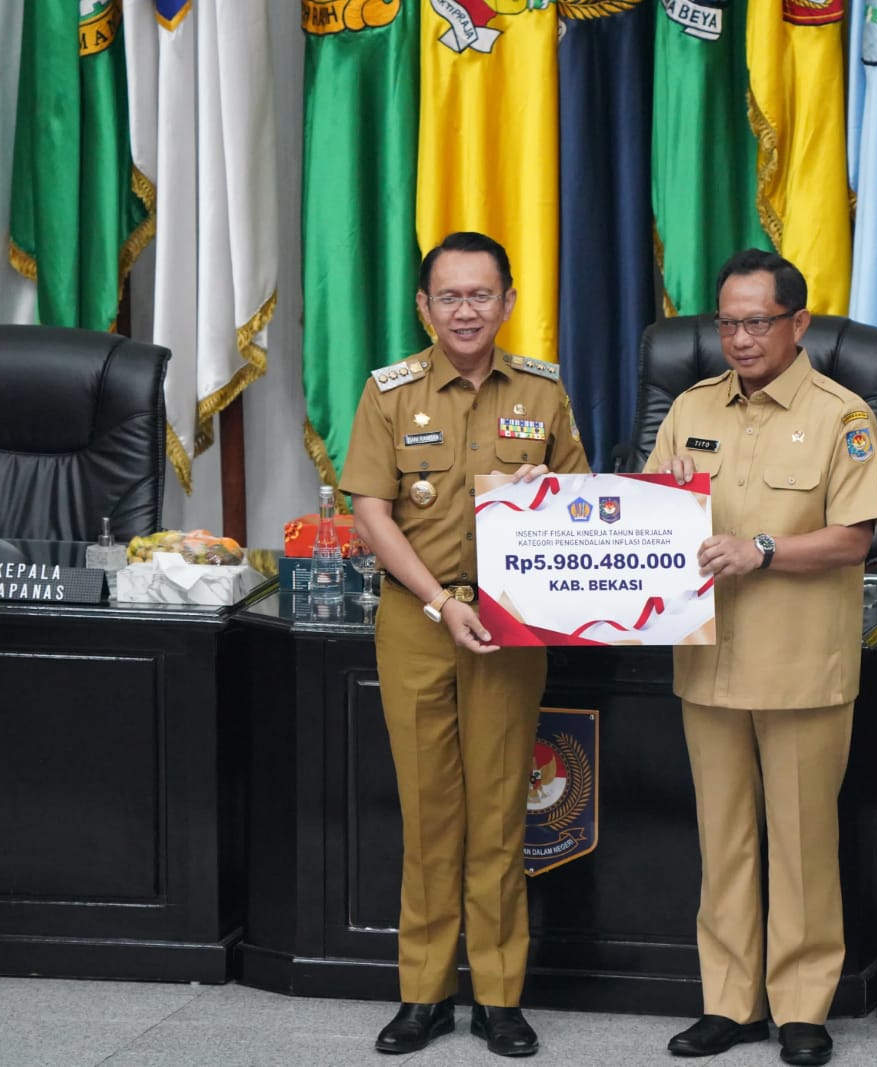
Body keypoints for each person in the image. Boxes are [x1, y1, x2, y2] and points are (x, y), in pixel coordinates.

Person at [343, 231, 591, 1058]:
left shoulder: (545, 393)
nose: (464, 311)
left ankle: (498, 996)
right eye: (447, 296)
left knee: (497, 817)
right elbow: (371, 513)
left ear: (509, 302)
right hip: (418, 624)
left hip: (513, 625)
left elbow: (587, 503)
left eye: (480, 295)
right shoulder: (389, 392)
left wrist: (548, 495)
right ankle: (422, 994)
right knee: (430, 816)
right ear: (423, 307)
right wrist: (436, 600)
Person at [647, 249, 877, 1067]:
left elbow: (856, 538)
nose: (740, 339)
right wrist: (661, 500)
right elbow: (644, 527)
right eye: (727, 322)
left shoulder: (841, 413)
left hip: (800, 664)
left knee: (803, 841)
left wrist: (765, 549)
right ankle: (729, 1001)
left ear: (798, 323)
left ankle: (803, 1007)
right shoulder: (688, 405)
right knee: (725, 839)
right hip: (708, 660)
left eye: (757, 321)